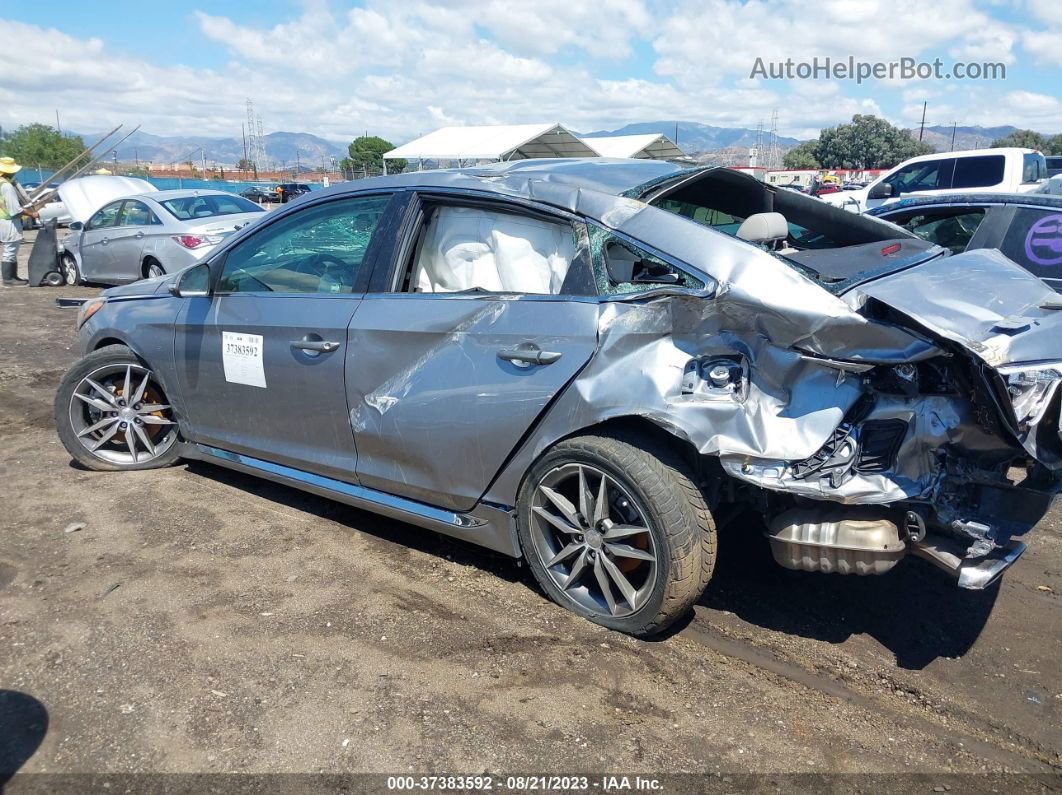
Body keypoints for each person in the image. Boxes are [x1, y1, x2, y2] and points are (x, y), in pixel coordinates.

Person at [1, 156, 38, 287]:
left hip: (3, 220)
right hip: (8, 221)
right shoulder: (7, 186)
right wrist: (32, 213)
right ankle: (8, 278)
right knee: (10, 249)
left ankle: (13, 276)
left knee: (11, 250)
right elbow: (15, 209)